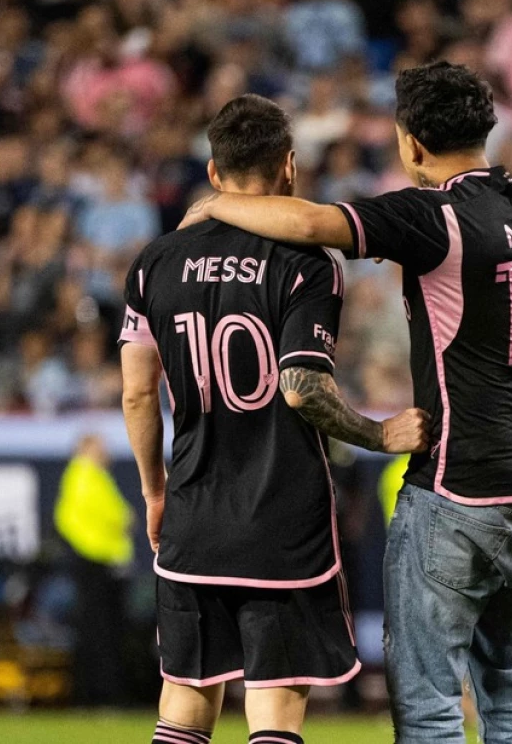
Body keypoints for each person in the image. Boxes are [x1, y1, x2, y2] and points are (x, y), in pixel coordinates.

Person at [180, 61, 512, 744]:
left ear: (411, 143)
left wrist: (215, 204)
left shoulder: (435, 216)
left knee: (429, 706)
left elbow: (308, 223)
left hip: (461, 487)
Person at [119, 94, 428, 744]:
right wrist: (379, 433)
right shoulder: (307, 265)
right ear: (288, 168)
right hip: (282, 521)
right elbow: (299, 387)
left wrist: (154, 491)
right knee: (275, 710)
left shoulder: (155, 262)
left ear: (212, 173)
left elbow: (138, 396)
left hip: (193, 513)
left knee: (184, 704)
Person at [54, 433, 135, 706]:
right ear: (87, 449)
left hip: (101, 562)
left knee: (102, 631)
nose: (106, 452)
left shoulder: (90, 476)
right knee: (99, 632)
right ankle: (99, 695)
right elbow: (112, 516)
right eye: (100, 446)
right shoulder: (84, 476)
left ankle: (99, 693)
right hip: (96, 563)